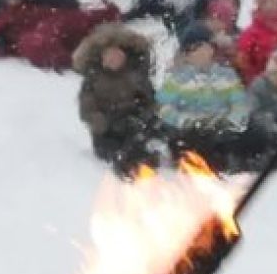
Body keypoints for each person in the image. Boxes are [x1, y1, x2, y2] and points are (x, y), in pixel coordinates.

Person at [156, 23, 257, 171]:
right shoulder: (175, 80)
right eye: (191, 50)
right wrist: (185, 120)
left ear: (211, 49)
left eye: (201, 46)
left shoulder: (226, 75)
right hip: (190, 131)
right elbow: (163, 107)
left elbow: (239, 104)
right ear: (185, 55)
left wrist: (229, 122)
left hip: (221, 130)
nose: (197, 53)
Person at [73, 23, 164, 177]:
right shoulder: (94, 79)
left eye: (117, 54)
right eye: (108, 54)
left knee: (143, 134)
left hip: (134, 122)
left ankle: (144, 153)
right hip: (108, 131)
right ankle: (128, 160)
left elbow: (151, 101)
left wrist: (146, 115)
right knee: (117, 148)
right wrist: (103, 123)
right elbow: (87, 109)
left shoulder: (136, 76)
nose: (113, 59)